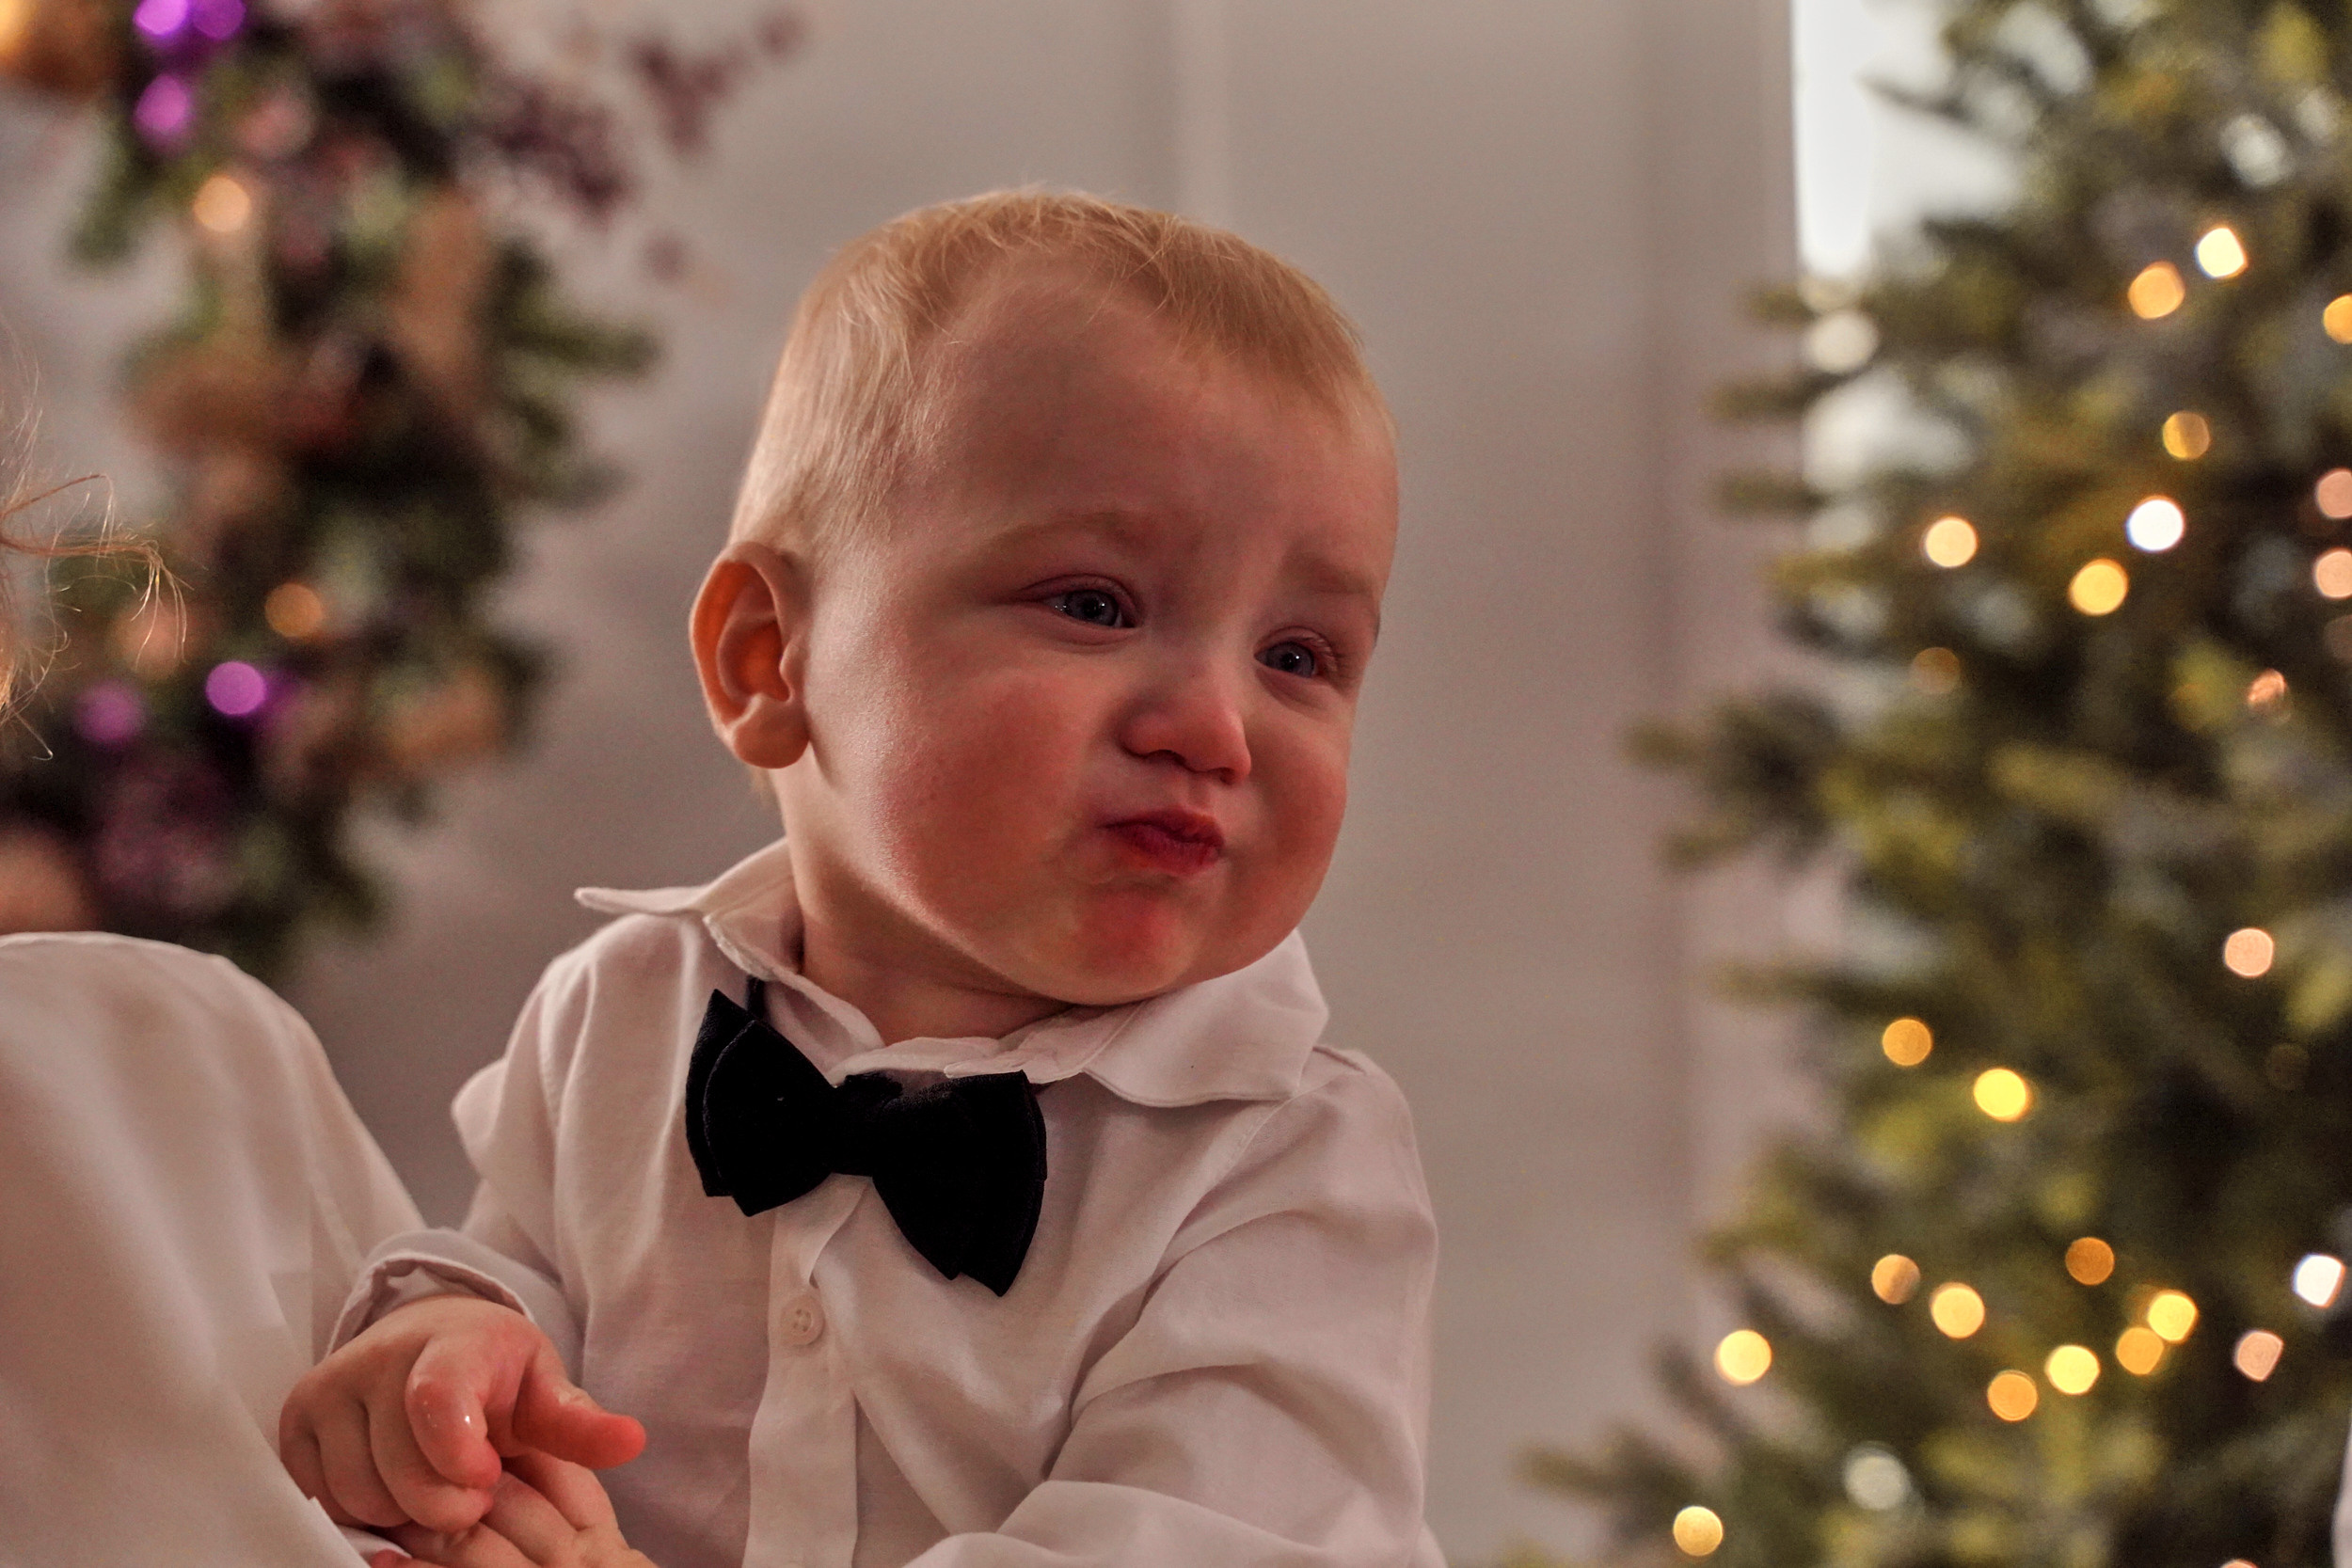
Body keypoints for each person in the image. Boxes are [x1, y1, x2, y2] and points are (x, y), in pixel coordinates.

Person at [283, 189, 1442, 1568]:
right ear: (769, 660)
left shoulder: (1288, 1157)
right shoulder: (622, 1013)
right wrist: (452, 1345)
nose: (1215, 725)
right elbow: (521, 1257)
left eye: (1301, 656)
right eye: (1094, 604)